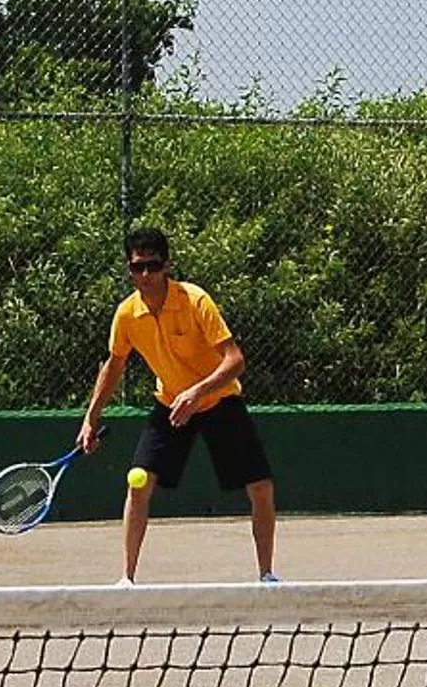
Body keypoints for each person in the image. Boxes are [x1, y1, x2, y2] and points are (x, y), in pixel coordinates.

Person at [75, 227, 280, 586]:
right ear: (129, 269)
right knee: (138, 485)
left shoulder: (196, 300)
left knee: (261, 487)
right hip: (170, 404)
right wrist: (91, 419)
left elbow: (235, 360)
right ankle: (126, 580)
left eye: (152, 266)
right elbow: (114, 366)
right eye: (137, 268)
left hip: (219, 400)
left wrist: (198, 392)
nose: (145, 276)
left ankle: (266, 575)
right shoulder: (126, 315)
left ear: (167, 265)